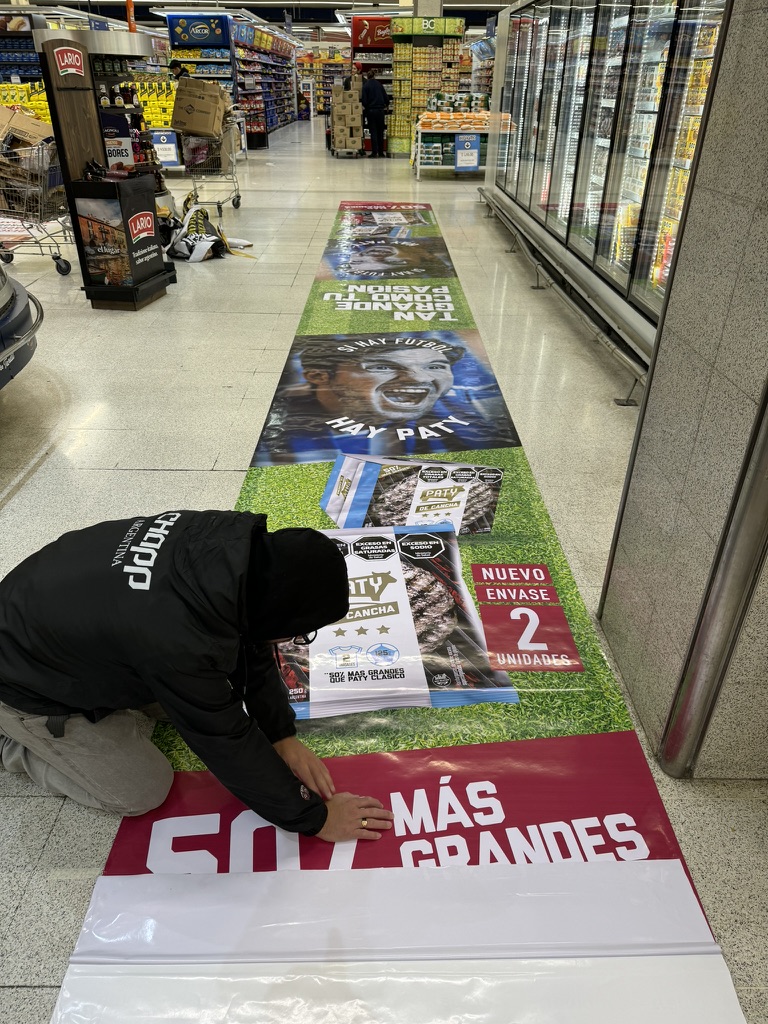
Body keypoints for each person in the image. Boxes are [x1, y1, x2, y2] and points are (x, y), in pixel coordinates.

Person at [0, 510, 394, 842]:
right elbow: (224, 740)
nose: (294, 640)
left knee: (198, 689)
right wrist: (315, 819)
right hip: (23, 681)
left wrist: (281, 736)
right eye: (298, 632)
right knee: (140, 791)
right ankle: (13, 742)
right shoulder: (176, 638)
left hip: (64, 628)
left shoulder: (230, 550)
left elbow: (250, 642)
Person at [255, 335, 521, 464]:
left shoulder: (476, 410)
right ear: (319, 375)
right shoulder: (273, 430)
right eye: (382, 367)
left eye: (436, 367)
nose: (418, 379)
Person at [361, 69, 388, 158]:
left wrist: (367, 106)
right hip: (380, 111)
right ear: (374, 76)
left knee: (373, 131)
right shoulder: (379, 85)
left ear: (367, 77)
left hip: (371, 111)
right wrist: (385, 105)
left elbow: (364, 101)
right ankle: (381, 152)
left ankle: (374, 152)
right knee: (380, 131)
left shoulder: (365, 86)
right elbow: (386, 98)